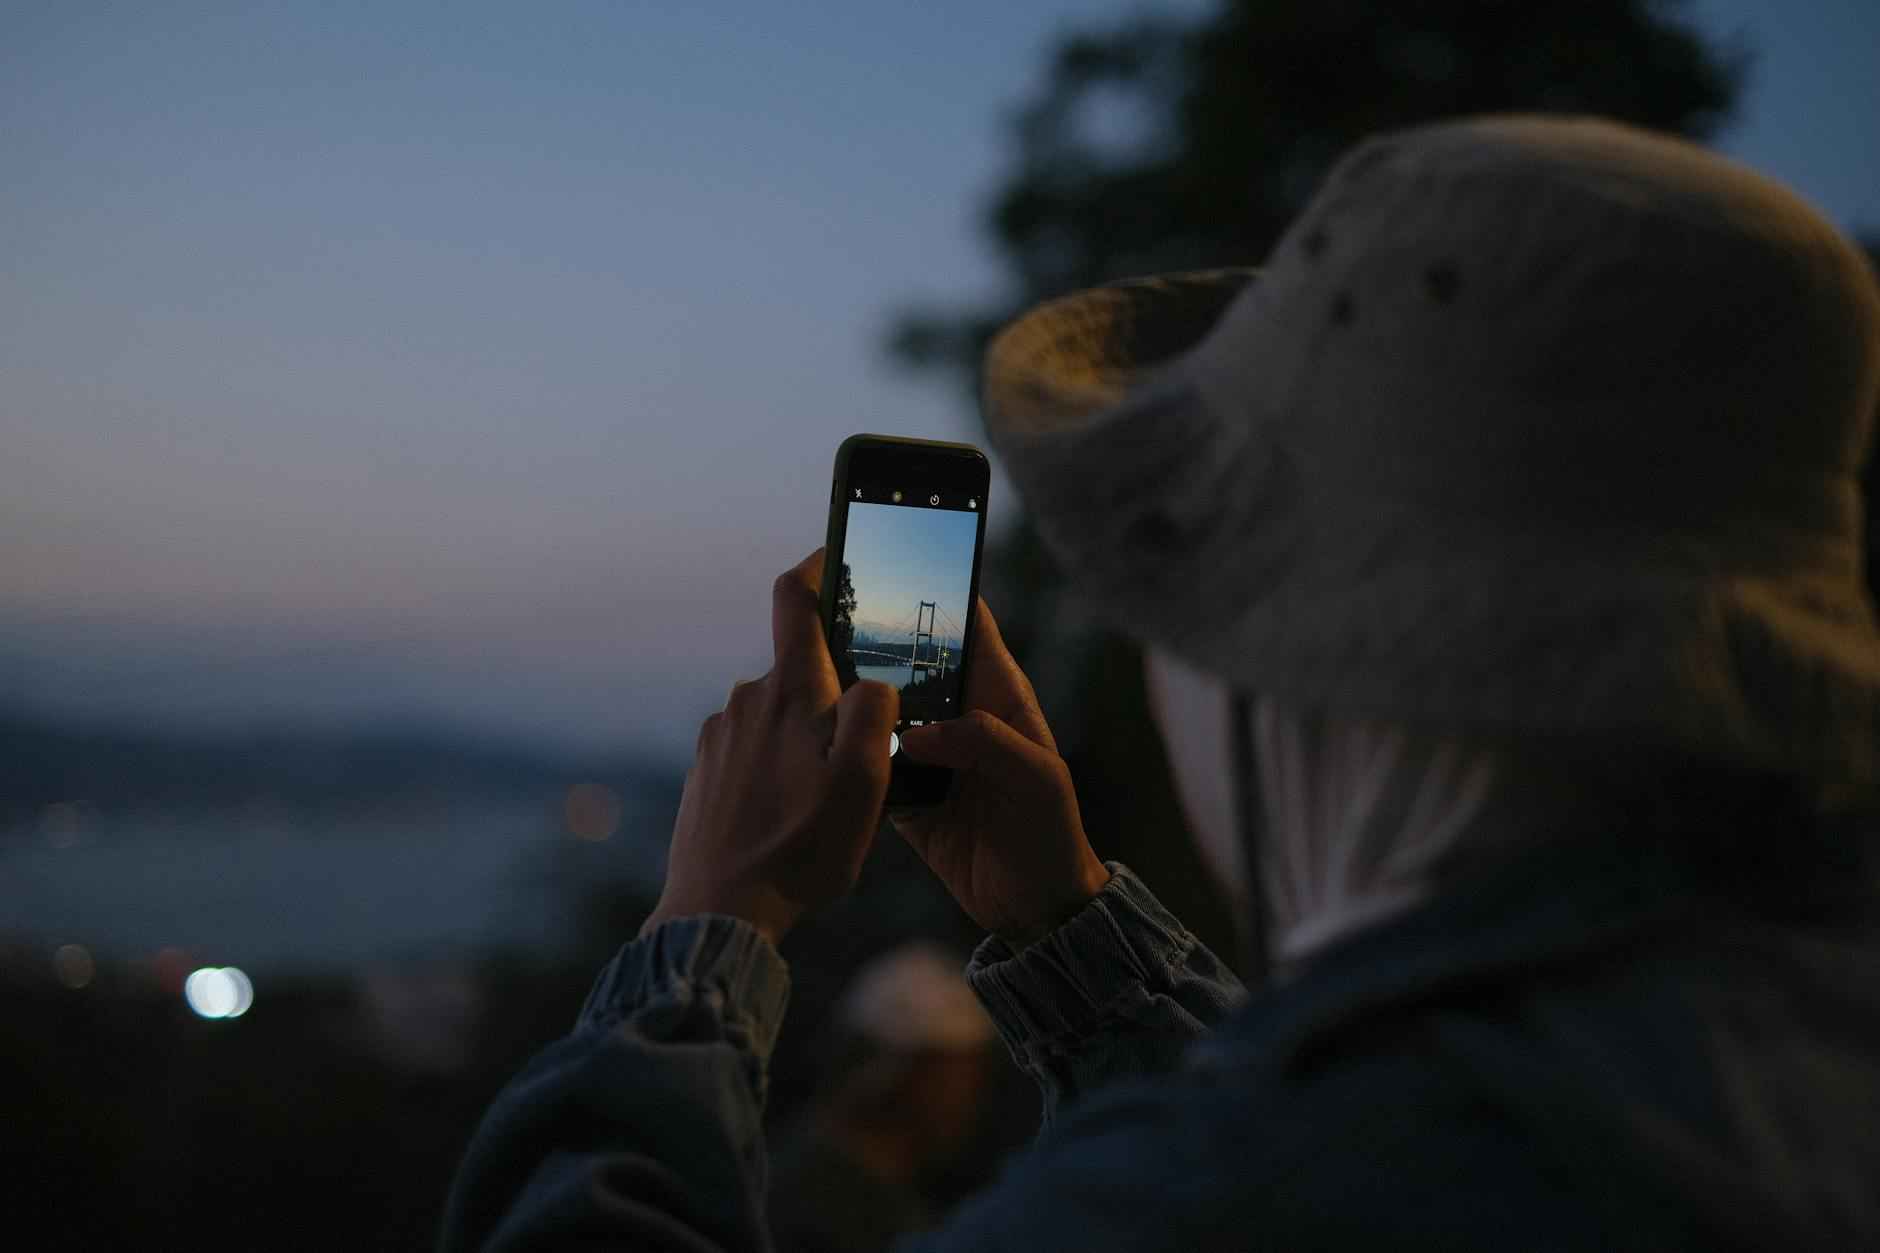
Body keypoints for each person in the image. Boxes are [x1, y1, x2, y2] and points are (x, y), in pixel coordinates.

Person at [439, 115, 1880, 1251]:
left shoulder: (1256, 1188)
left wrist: (700, 937)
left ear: (1297, 665)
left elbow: (1259, 1173)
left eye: (1181, 577)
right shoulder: (1793, 1039)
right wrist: (1073, 934)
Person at [767, 943, 993, 1252]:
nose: (969, 1097)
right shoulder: (811, 1201)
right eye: (954, 1077)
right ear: (890, 1071)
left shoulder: (895, 1198)